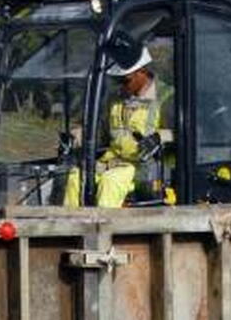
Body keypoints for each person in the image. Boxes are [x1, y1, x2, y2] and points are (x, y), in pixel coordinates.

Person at [64, 46, 173, 208]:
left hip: (144, 168)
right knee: (75, 176)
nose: (121, 86)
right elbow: (101, 131)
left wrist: (160, 137)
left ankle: (102, 231)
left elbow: (187, 133)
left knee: (111, 181)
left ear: (141, 72)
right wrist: (76, 137)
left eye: (125, 80)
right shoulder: (115, 98)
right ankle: (68, 230)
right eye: (117, 81)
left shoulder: (167, 97)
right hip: (112, 161)